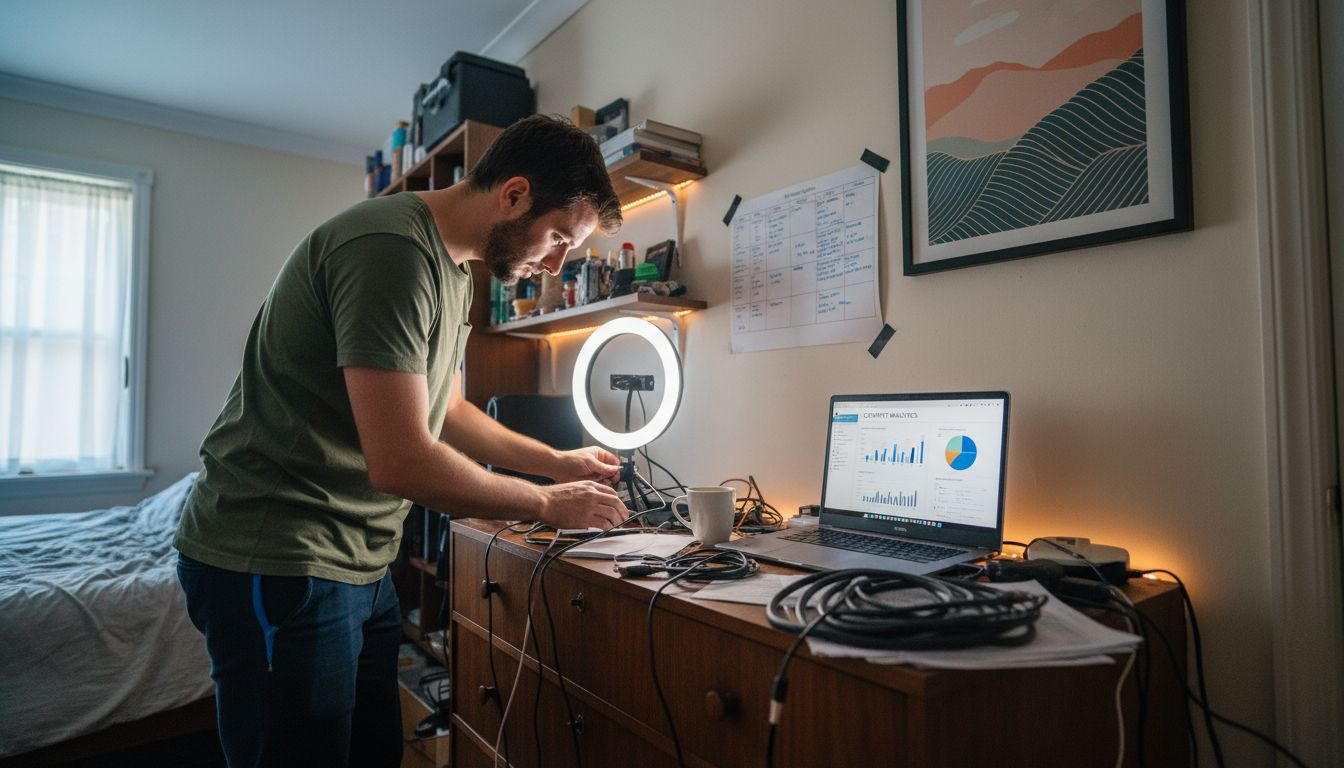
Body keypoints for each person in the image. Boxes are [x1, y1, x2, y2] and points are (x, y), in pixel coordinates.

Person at [174, 114, 627, 767]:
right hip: (277, 553)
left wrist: (556, 462)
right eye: (558, 238)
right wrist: (547, 504)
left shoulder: (452, 268)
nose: (554, 265)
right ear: (516, 194)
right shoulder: (391, 250)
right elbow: (402, 459)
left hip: (358, 560)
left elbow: (440, 407)